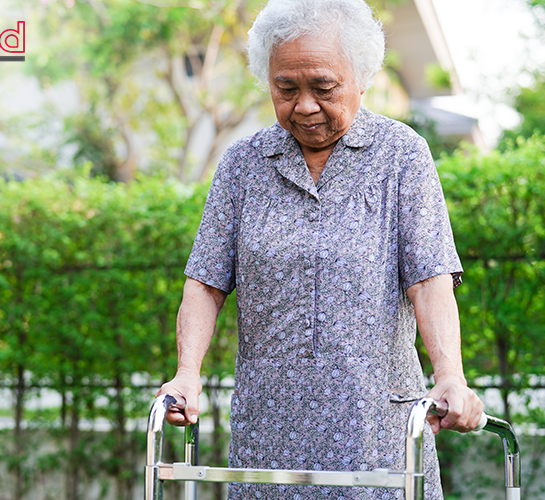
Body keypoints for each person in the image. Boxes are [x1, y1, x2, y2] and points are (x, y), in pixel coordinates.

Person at [157, 0, 484, 498]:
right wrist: (187, 374)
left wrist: (451, 377)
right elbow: (205, 281)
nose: (304, 106)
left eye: (323, 87)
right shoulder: (244, 164)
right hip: (270, 430)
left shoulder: (402, 155)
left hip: (375, 427)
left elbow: (429, 277)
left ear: (362, 77)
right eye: (285, 89)